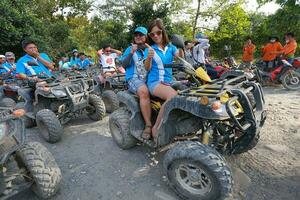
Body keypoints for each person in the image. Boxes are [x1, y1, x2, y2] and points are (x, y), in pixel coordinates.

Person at [144, 19, 180, 142]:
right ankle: (156, 128)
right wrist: (149, 57)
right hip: (155, 83)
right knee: (173, 96)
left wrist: (181, 47)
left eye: (158, 33)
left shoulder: (170, 47)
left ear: (162, 32)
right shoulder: (150, 49)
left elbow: (180, 57)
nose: (155, 36)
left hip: (169, 82)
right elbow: (146, 68)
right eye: (152, 34)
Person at [122, 26, 152, 139]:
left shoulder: (149, 49)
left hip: (148, 78)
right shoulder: (129, 48)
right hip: (133, 78)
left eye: (141, 35)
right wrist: (131, 53)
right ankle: (148, 125)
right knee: (144, 91)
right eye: (136, 35)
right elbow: (124, 65)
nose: (138, 37)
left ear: (145, 37)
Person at [16, 39, 54, 113]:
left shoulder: (43, 55)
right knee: (42, 85)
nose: (33, 49)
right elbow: (20, 74)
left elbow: (51, 67)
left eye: (35, 47)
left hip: (50, 78)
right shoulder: (22, 60)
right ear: (25, 50)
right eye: (30, 48)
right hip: (35, 81)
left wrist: (38, 57)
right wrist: (30, 78)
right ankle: (37, 104)